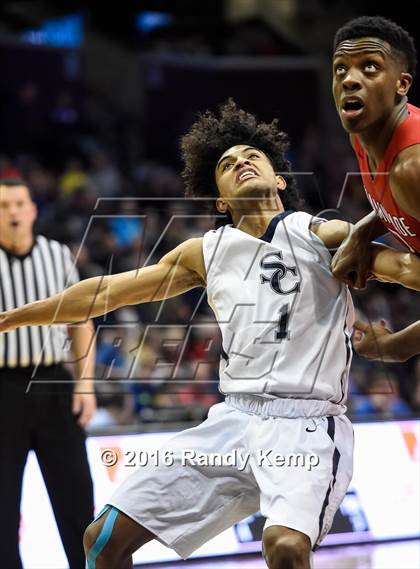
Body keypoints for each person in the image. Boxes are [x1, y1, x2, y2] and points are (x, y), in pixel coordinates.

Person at [0, 102, 419, 569]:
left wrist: (403, 341)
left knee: (284, 547)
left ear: (280, 179)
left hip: (307, 426)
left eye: (252, 156)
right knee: (102, 539)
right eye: (226, 163)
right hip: (233, 420)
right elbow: (104, 294)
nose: (241, 162)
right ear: (219, 200)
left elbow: (407, 270)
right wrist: (8, 319)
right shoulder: (206, 252)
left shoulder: (322, 235)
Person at [0, 178, 96, 568]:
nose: (13, 212)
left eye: (19, 203)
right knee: (3, 503)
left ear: (33, 209)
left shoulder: (57, 255)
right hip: (3, 390)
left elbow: (81, 323)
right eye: (4, 205)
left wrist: (85, 385)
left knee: (76, 496)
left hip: (55, 382)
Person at [331, 16, 420, 362]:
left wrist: (393, 348)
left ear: (402, 84)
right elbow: (395, 202)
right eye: (340, 69)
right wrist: (362, 231)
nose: (350, 79)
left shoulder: (411, 167)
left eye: (369, 68)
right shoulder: (365, 135)